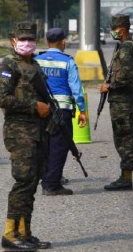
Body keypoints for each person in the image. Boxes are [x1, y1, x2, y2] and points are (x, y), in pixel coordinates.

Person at [0, 22, 51, 251]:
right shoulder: (8, 66)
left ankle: (25, 232)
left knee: (32, 183)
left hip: (38, 132)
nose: (27, 43)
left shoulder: (35, 65)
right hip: (20, 132)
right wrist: (33, 106)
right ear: (13, 40)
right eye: (22, 39)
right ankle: (10, 234)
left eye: (31, 39)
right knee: (23, 181)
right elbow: (3, 99)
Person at [35, 27, 87, 196]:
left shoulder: (37, 60)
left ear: (46, 41)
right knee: (59, 147)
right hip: (62, 111)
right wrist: (83, 110)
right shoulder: (67, 62)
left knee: (44, 145)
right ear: (63, 41)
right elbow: (76, 90)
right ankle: (52, 184)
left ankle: (46, 178)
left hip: (40, 110)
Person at [100, 15, 133, 191]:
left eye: (114, 29)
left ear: (122, 29)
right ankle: (125, 175)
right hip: (121, 99)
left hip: (121, 100)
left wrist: (109, 85)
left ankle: (126, 177)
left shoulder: (126, 48)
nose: (112, 32)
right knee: (122, 136)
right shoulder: (125, 46)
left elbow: (126, 75)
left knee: (124, 137)